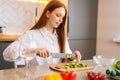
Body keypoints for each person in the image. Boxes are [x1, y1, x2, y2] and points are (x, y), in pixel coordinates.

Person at [3, 0, 81, 66]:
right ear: (48, 14)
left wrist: (72, 56)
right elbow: (7, 53)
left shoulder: (62, 37)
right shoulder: (31, 35)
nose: (61, 20)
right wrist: (34, 51)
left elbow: (66, 60)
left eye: (62, 18)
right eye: (58, 15)